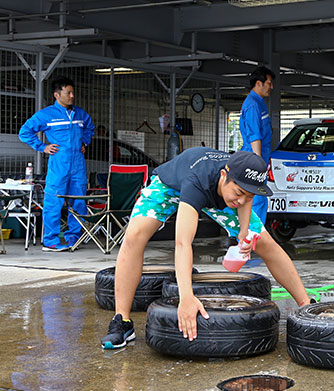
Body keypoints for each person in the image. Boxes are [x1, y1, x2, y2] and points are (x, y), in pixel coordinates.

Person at [100, 148, 311, 349]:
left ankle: (306, 305)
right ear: (223, 175)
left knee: (266, 243)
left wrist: (243, 233)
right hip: (170, 186)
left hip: (216, 193)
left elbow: (245, 196)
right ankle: (122, 321)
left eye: (249, 195)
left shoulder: (242, 182)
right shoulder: (197, 182)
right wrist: (186, 297)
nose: (242, 200)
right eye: (238, 192)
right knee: (134, 236)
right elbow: (183, 242)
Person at [19, 76, 95, 252]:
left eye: (72, 92)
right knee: (54, 202)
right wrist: (43, 147)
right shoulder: (46, 115)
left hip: (78, 165)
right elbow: (25, 132)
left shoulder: (81, 114)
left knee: (78, 202)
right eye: (68, 93)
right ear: (56, 95)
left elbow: (89, 128)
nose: (72, 96)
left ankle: (73, 238)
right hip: (59, 164)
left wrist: (84, 142)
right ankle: (50, 241)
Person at [239, 65, 275, 224]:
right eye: (269, 83)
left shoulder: (258, 102)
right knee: (257, 198)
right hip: (254, 157)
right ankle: (254, 236)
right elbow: (255, 135)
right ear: (259, 83)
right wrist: (258, 160)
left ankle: (253, 235)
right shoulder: (253, 104)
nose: (271, 87)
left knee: (257, 197)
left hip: (258, 157)